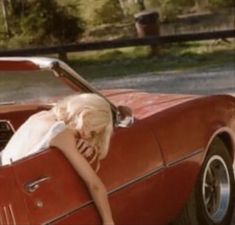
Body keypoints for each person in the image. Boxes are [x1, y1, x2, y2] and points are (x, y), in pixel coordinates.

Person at [0, 93, 114, 225]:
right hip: (17, 200)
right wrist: (108, 221)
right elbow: (94, 185)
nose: (88, 135)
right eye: (92, 131)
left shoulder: (40, 116)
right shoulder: (61, 133)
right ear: (84, 115)